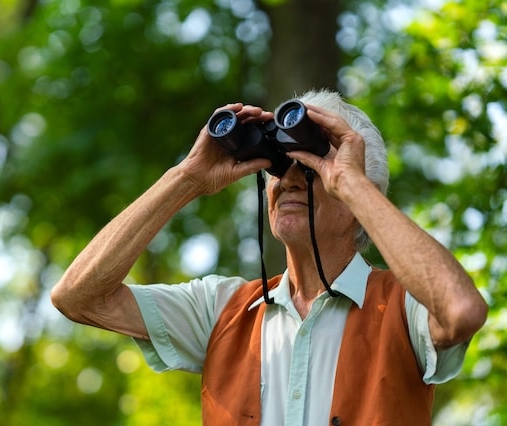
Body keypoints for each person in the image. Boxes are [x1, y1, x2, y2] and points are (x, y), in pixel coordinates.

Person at [51, 89, 488, 425]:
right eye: (279, 166)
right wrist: (186, 177)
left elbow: (461, 310)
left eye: (313, 166)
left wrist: (352, 184)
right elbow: (78, 296)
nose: (289, 181)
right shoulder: (221, 311)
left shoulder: (405, 305)